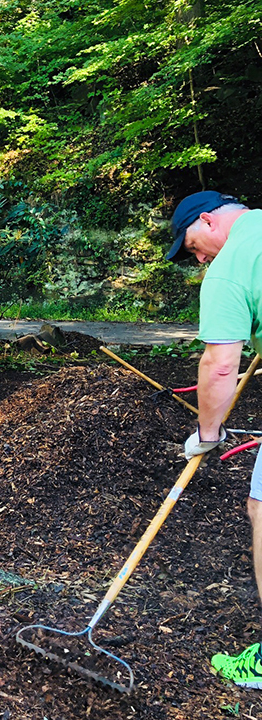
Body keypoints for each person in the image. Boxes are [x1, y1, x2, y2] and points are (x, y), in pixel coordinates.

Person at [167, 191, 262, 687]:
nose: (198, 259)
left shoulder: (229, 268)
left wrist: (207, 433)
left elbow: (221, 362)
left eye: (193, 247)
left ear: (207, 219)